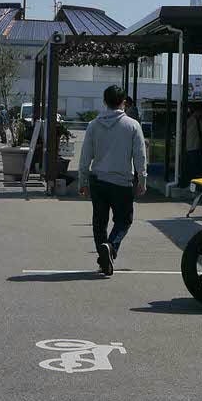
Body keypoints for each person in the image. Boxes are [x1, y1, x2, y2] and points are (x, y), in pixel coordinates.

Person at [77, 85, 147, 276]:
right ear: (124, 102)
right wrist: (142, 180)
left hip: (98, 180)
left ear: (104, 102)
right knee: (124, 220)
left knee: (99, 222)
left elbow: (85, 157)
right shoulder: (132, 125)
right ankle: (112, 246)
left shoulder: (93, 125)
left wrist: (82, 181)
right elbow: (140, 156)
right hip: (122, 181)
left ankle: (104, 260)